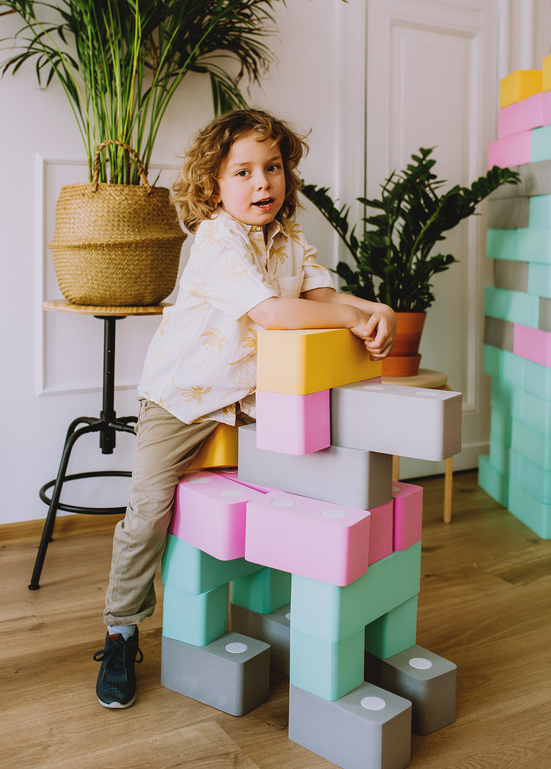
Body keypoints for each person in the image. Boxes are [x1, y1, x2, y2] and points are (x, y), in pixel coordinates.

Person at [93, 108, 397, 708]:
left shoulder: (290, 237)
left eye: (273, 168)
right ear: (214, 187)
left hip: (252, 399)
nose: (263, 182)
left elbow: (322, 295)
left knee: (311, 479)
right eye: (244, 172)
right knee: (148, 509)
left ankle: (308, 610)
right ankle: (121, 630)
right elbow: (272, 313)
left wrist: (375, 309)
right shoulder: (216, 239)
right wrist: (350, 318)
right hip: (185, 397)